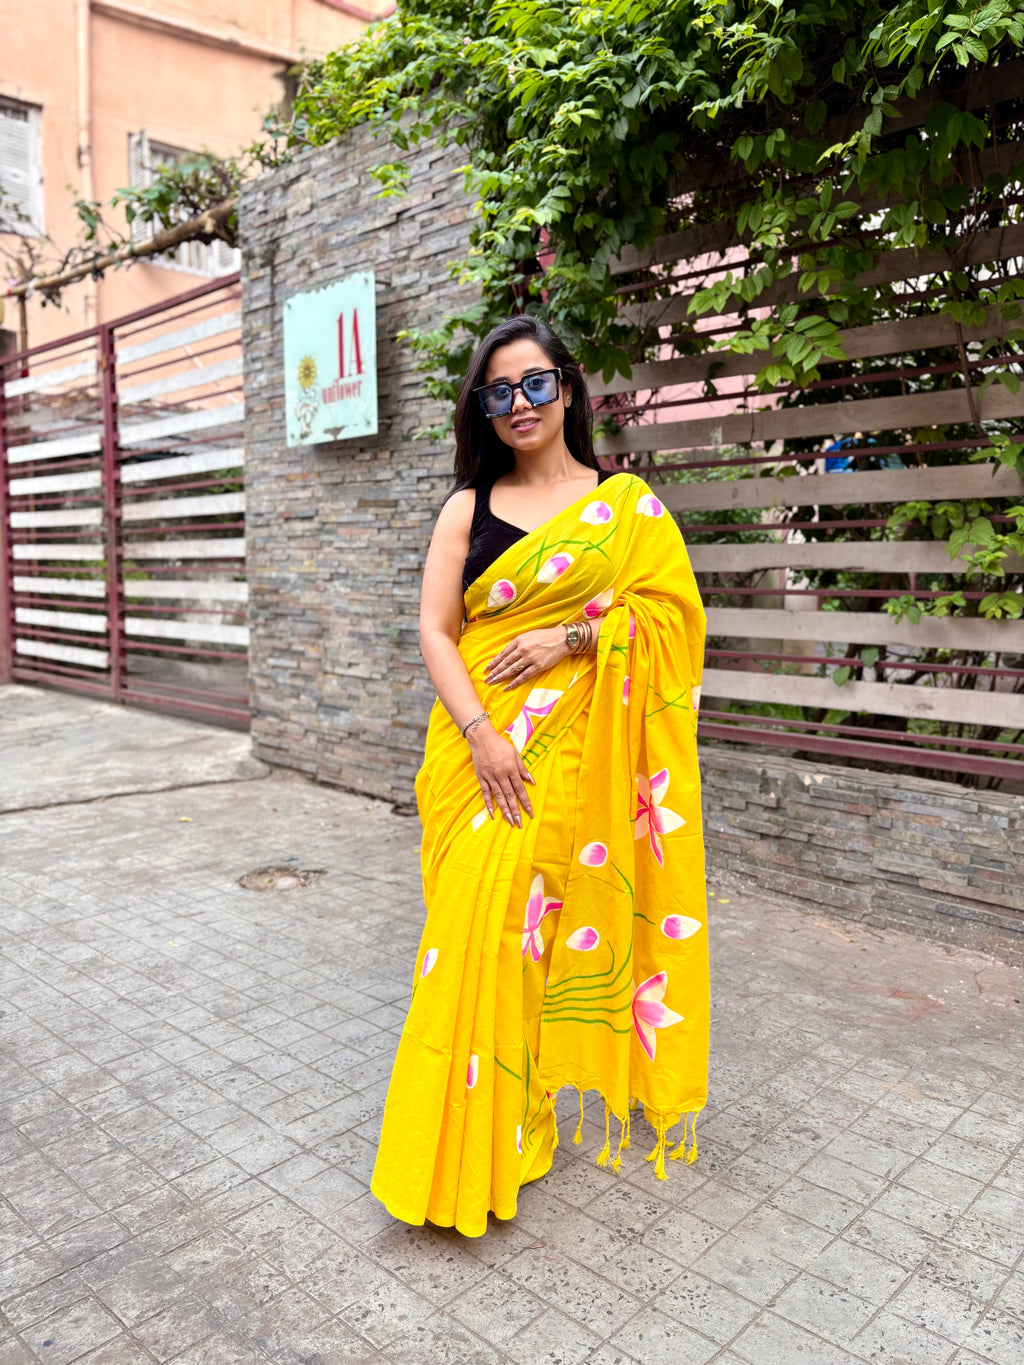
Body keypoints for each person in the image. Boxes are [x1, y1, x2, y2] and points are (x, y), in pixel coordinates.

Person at [370, 315, 709, 1238]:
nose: (518, 404)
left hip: (584, 759)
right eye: (498, 391)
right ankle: (468, 1139)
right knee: (477, 929)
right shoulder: (465, 507)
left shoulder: (624, 505)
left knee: (541, 934)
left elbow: (675, 623)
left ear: (566, 387)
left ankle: (520, 1115)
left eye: (534, 384)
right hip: (482, 759)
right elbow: (437, 629)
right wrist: (481, 734)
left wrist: (571, 635)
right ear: (482, 406)